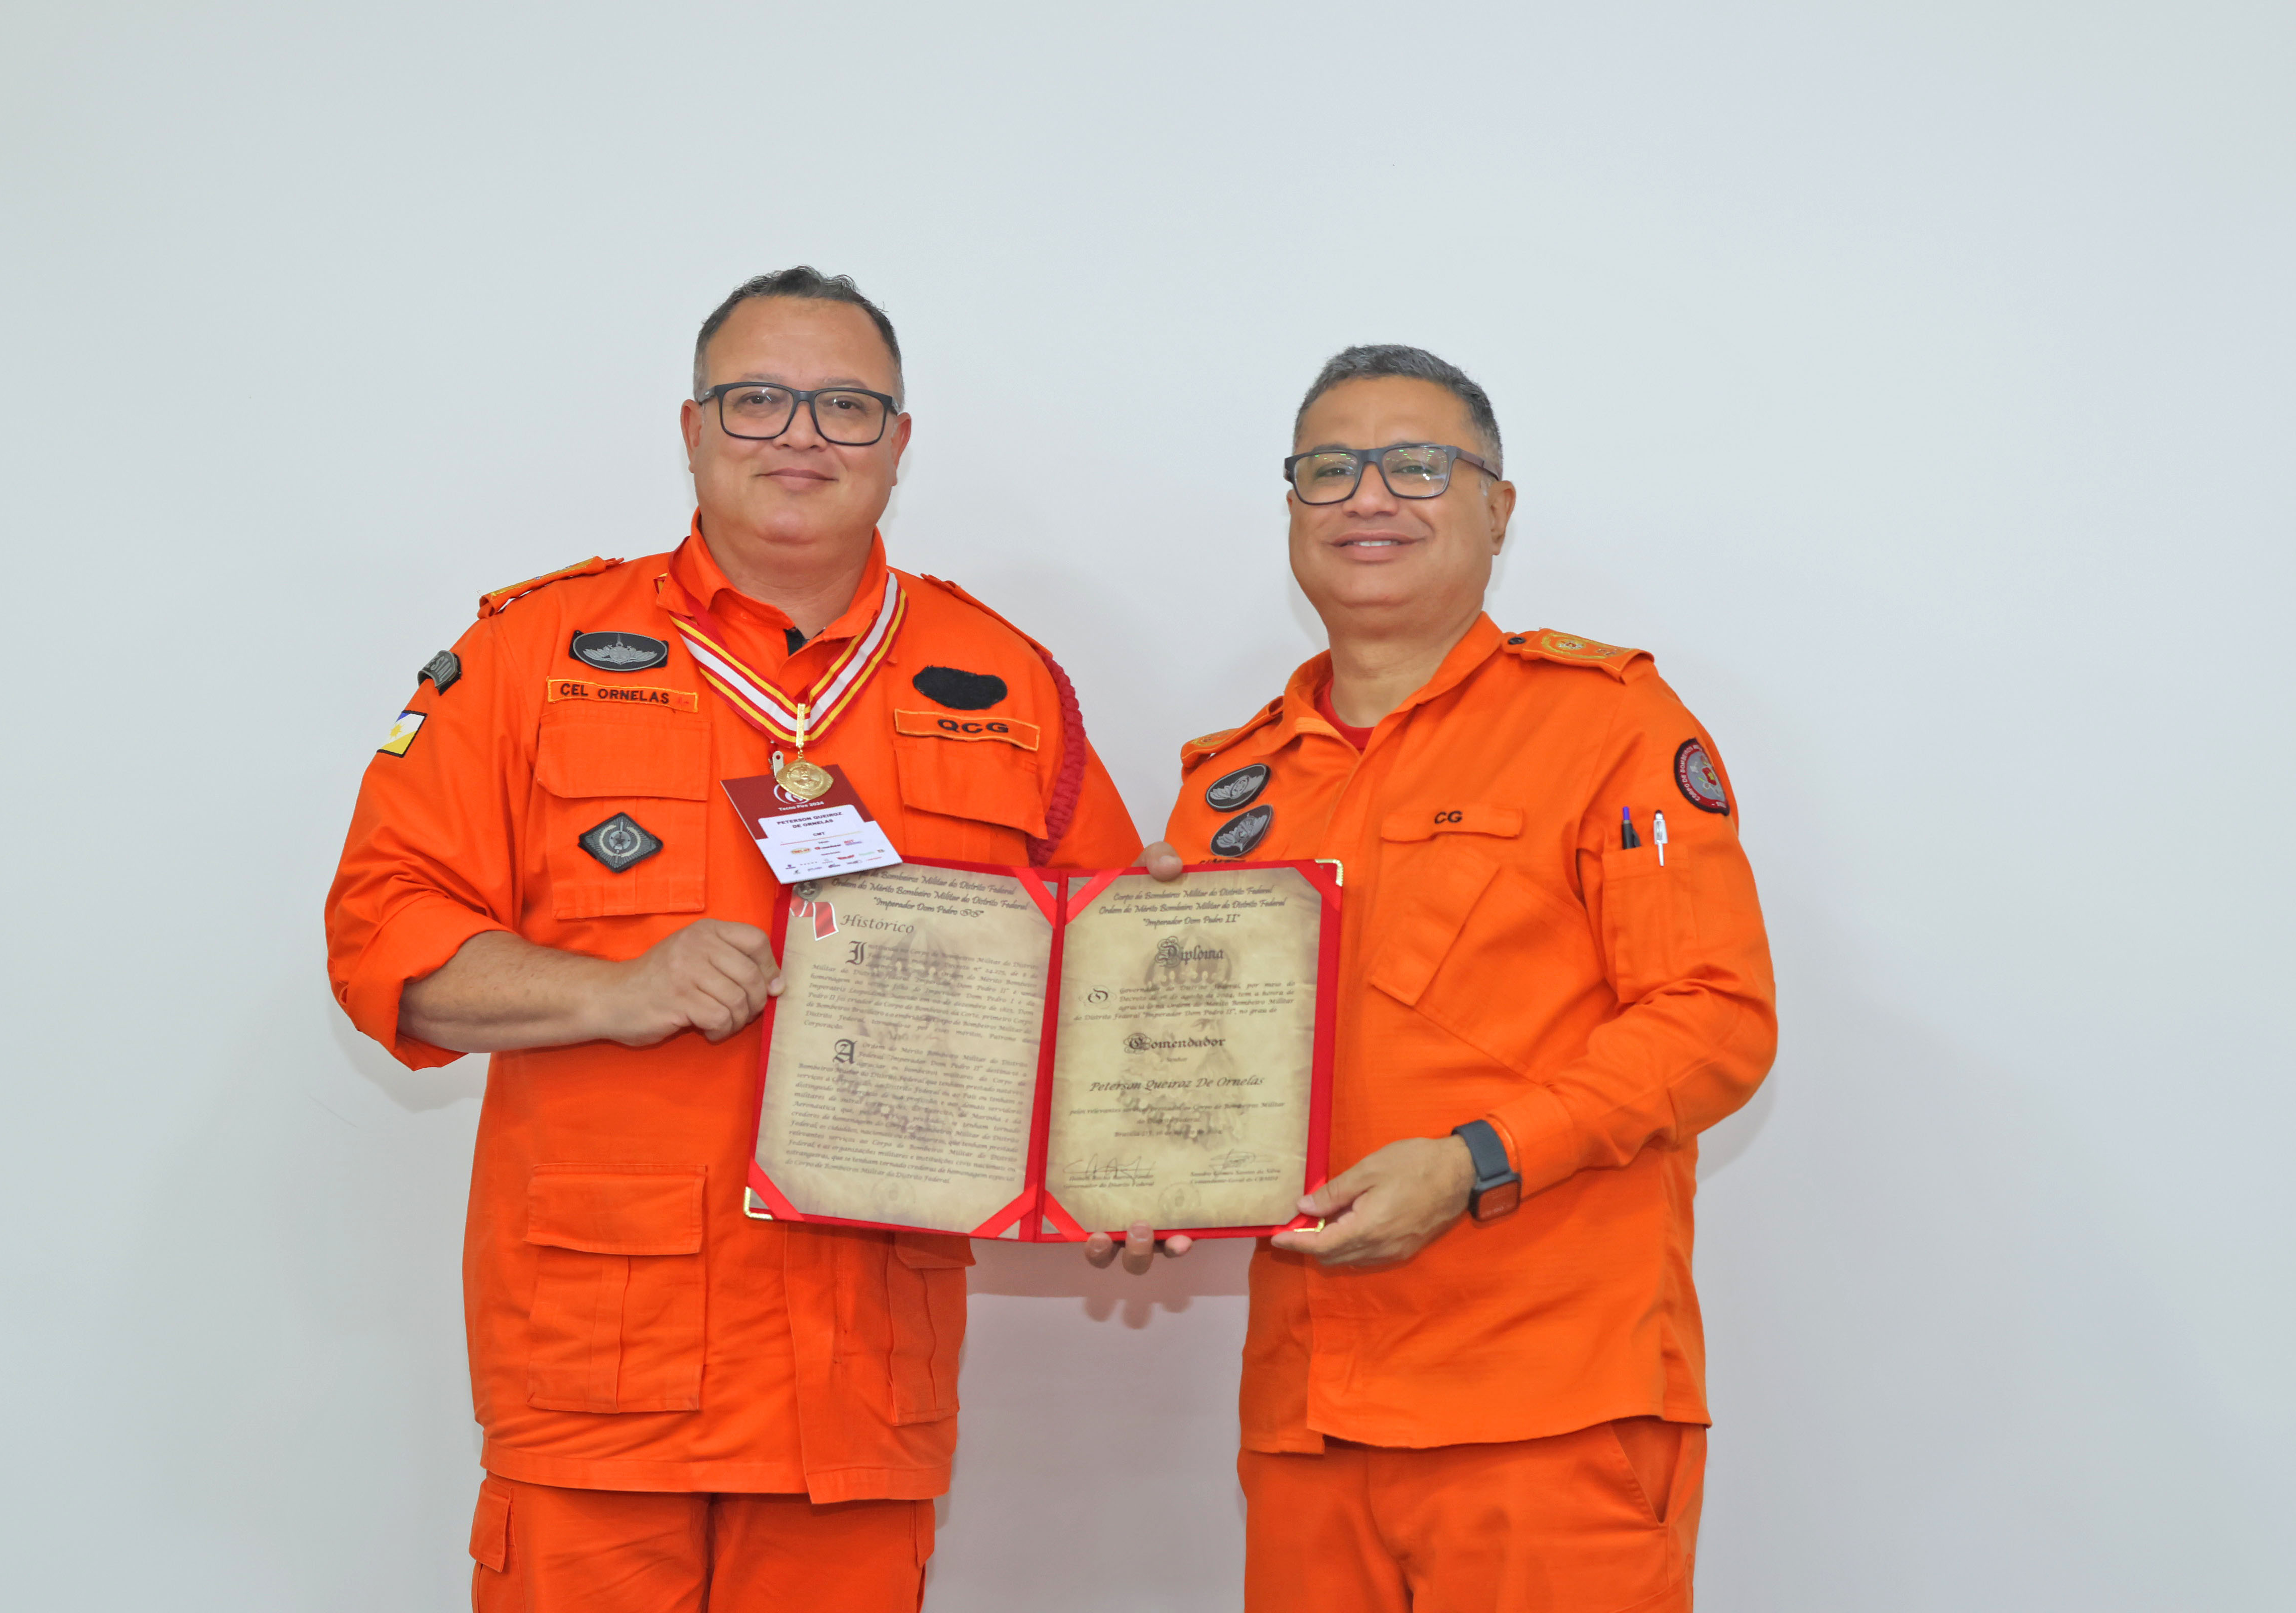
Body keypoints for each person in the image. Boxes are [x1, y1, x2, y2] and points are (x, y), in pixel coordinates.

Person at [326, 267, 1142, 1611]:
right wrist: (611, 990)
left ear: (900, 442)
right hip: (599, 1374)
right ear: (693, 428)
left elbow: (1103, 988)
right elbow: (382, 936)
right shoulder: (534, 654)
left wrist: (1142, 1167)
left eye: (846, 407)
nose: (801, 436)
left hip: (858, 1378)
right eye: (759, 400)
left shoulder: (1007, 682)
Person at [1094, 344, 1777, 1610]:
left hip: (1546, 1404)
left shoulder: (1609, 724)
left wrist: (1476, 1162)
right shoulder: (1230, 788)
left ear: (1497, 509)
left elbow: (1714, 1022)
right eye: (1329, 470)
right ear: (1291, 507)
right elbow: (1192, 1080)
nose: (1368, 497)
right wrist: (1131, 1165)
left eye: (1416, 466)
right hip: (1309, 1416)